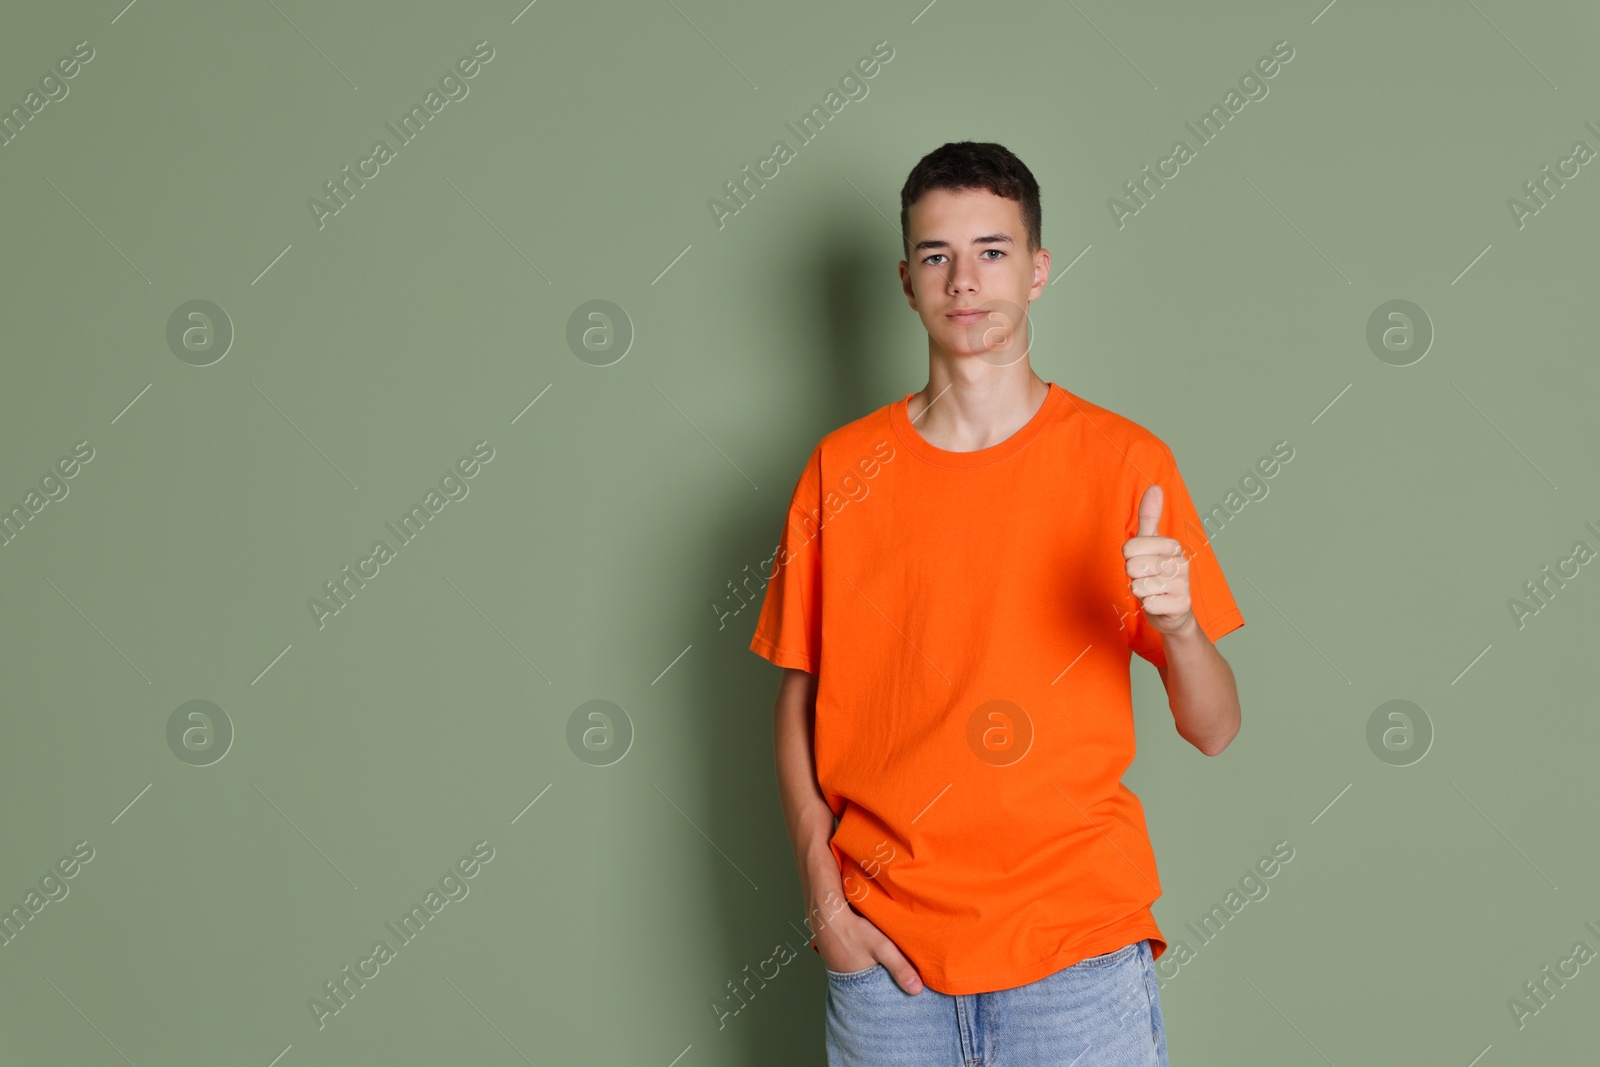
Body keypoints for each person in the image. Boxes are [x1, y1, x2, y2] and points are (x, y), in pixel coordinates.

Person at [748, 141, 1245, 1066]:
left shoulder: (1127, 463)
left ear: (1039, 269)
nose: (964, 280)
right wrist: (822, 892)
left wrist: (1178, 629)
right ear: (906, 281)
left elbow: (1215, 727)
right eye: (937, 255)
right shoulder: (840, 471)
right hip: (888, 968)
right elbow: (798, 699)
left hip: (1077, 964)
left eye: (993, 250)